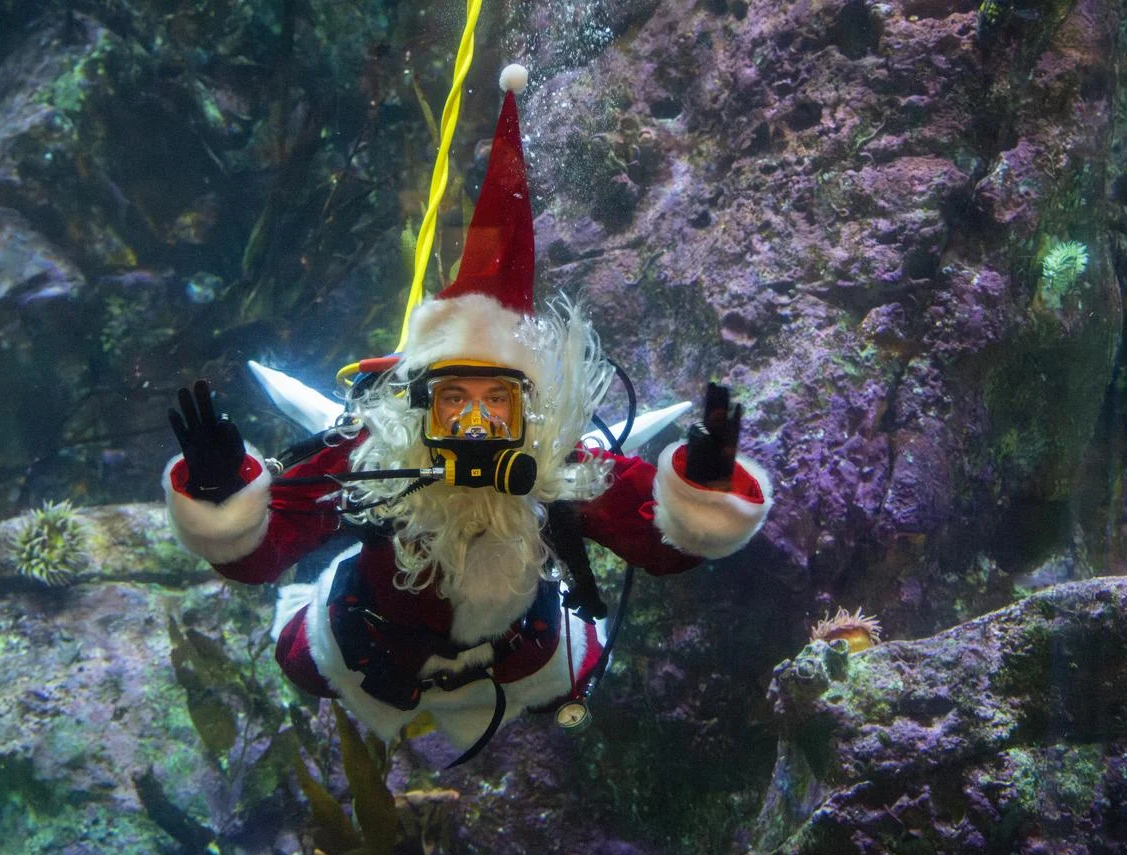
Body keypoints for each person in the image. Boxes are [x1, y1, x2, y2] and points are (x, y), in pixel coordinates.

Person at [163, 65, 772, 763]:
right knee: (295, 658)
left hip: (525, 664)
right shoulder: (378, 453)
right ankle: (319, 612)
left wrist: (701, 489)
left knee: (570, 684)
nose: (477, 425)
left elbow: (656, 542)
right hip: (367, 658)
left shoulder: (557, 466)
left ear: (529, 410)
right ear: (421, 403)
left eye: (497, 402)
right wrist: (221, 492)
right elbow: (266, 545)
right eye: (455, 400)